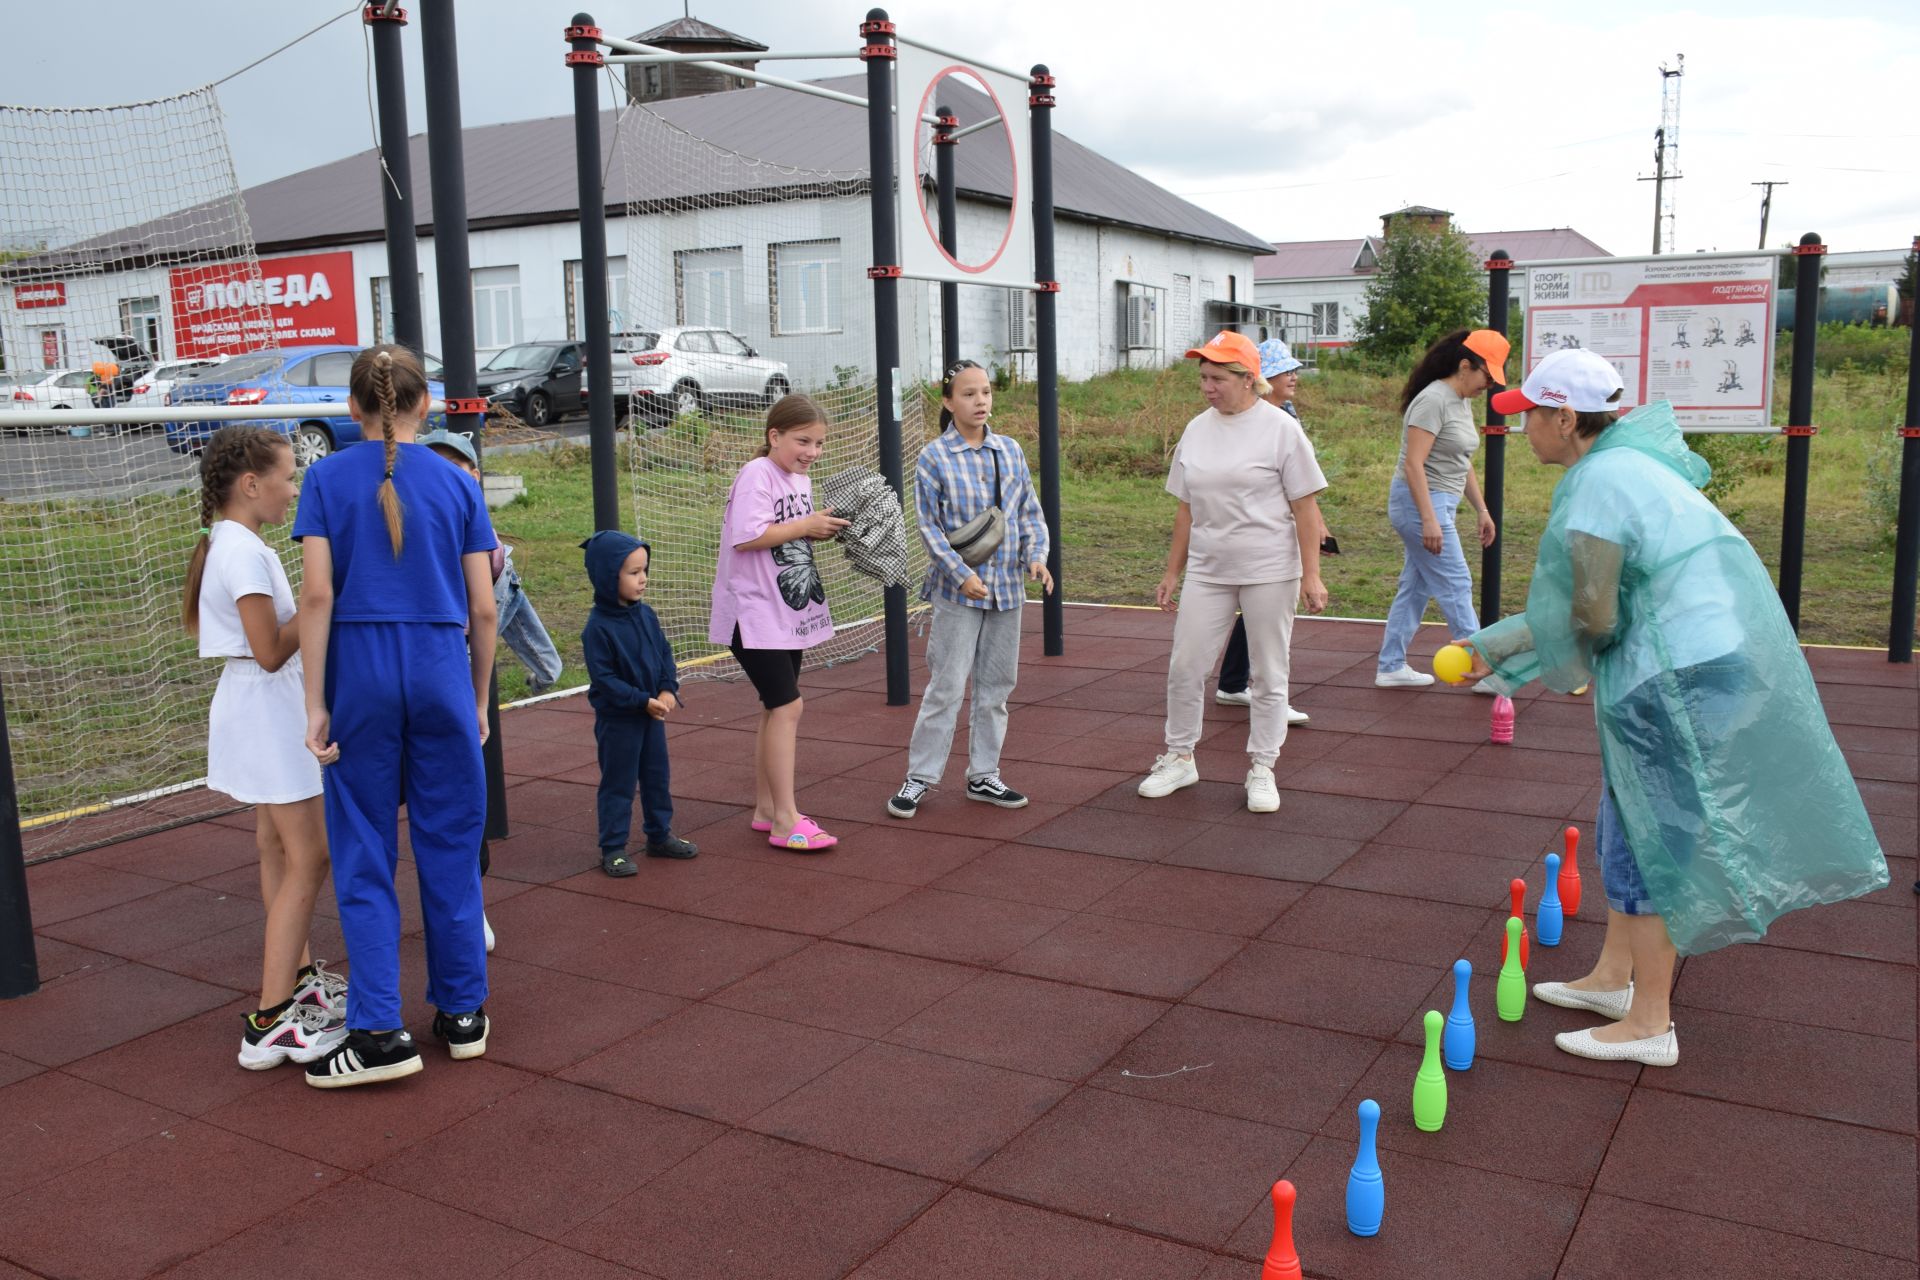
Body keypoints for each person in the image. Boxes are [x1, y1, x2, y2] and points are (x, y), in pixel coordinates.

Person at [1463, 350, 1889, 1067]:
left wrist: (1511, 644)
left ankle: (1649, 1022)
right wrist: (1511, 640)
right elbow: (1604, 602)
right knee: (1623, 822)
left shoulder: (1599, 481)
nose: (1519, 427)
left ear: (1565, 418)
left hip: (1677, 668)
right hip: (1697, 654)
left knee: (1651, 835)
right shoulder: (1630, 464)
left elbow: (1594, 617)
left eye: (1530, 414)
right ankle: (1612, 980)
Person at [295, 345, 499, 1088]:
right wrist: (476, 698)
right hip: (441, 666)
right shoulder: (455, 481)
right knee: (450, 845)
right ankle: (463, 1014)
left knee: (364, 851)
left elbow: (317, 597)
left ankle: (380, 1030)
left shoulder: (323, 476)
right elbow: (484, 607)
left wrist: (316, 703)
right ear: (425, 408)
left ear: (352, 409)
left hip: (361, 673)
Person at [183, 425, 347, 1070]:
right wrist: (322, 600)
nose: (293, 490)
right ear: (251, 485)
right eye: (286, 476)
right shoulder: (244, 553)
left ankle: (298, 988)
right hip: (267, 709)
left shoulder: (234, 544)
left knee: (278, 851)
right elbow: (270, 649)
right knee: (312, 857)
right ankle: (272, 1018)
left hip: (255, 709)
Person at [1138, 331, 1329, 814]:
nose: (1207, 386)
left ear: (1248, 380)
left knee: (1268, 672)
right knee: (1185, 667)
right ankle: (1180, 756)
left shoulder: (1282, 429)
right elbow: (1186, 507)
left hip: (1269, 568)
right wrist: (1171, 572)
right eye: (1203, 377)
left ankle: (1262, 766)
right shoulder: (1196, 429)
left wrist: (1312, 575)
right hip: (1209, 568)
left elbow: (1305, 509)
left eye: (1217, 378)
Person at [887, 359, 1053, 820]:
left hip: (1007, 589)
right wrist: (961, 573)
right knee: (946, 685)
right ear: (947, 401)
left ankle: (984, 774)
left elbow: (1027, 513)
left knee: (997, 686)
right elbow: (928, 527)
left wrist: (1037, 557)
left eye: (985, 392)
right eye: (968, 394)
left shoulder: (1009, 450)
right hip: (958, 592)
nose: (980, 401)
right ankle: (919, 777)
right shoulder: (934, 457)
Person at [710, 393, 848, 851]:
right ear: (774, 436)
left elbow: (788, 540)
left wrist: (820, 529)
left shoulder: (799, 481)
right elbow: (749, 537)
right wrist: (807, 526)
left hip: (785, 611)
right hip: (752, 613)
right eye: (802, 441)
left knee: (775, 707)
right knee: (788, 706)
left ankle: (767, 809)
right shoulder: (757, 474)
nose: (811, 451)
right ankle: (787, 819)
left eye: (819, 443)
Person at [1374, 328, 1507, 688]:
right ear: (1465, 365)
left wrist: (1481, 508)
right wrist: (1429, 521)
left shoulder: (1459, 400)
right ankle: (1482, 668)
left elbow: (1460, 461)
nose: (1490, 385)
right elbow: (1414, 464)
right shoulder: (1433, 400)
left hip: (1436, 503)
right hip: (1419, 503)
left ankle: (1390, 666)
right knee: (1456, 582)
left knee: (1415, 587)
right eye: (1487, 376)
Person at [1215, 339, 1328, 725]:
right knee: (1267, 616)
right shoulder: (1252, 420)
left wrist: (1316, 524)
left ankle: (1233, 683)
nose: (1293, 377)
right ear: (1260, 378)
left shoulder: (1287, 415)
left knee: (1260, 609)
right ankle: (1259, 696)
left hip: (1278, 527)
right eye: (1284, 371)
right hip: (1259, 533)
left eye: (1294, 370)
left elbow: (1301, 488)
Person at [581, 529, 698, 873]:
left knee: (657, 776)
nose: (643, 579)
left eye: (644, 570)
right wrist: (641, 700)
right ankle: (613, 847)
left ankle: (659, 835)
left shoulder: (646, 615)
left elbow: (664, 653)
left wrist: (667, 688)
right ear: (607, 576)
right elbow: (605, 680)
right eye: (633, 573)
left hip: (650, 715)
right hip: (620, 721)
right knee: (619, 783)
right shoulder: (597, 629)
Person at [419, 429, 563, 697]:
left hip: (500, 583)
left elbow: (480, 608)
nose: (443, 476)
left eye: (452, 467)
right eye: (433, 467)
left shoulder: (464, 512)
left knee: (548, 666)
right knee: (463, 673)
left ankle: (538, 681)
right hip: (493, 583)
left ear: (474, 477)